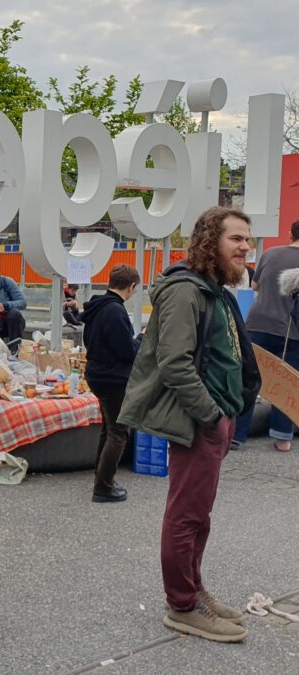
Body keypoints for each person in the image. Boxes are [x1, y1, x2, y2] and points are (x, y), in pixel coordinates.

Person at [118, 206, 260, 643]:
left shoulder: (214, 290)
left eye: (247, 240)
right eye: (236, 239)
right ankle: (181, 605)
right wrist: (212, 416)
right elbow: (175, 363)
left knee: (199, 516)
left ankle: (195, 591)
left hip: (219, 418)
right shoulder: (185, 291)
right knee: (185, 515)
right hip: (201, 421)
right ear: (209, 241)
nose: (245, 247)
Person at [232, 220, 299, 451]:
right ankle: (282, 438)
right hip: (292, 331)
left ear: (290, 233)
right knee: (287, 381)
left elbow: (255, 286)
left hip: (259, 323)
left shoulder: (270, 254)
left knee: (249, 378)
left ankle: (237, 435)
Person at [80, 265, 140, 503]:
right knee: (119, 432)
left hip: (97, 374)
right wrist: (140, 342)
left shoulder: (98, 306)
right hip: (113, 378)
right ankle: (103, 487)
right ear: (132, 286)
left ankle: (102, 474)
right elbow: (125, 349)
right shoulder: (115, 311)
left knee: (108, 427)